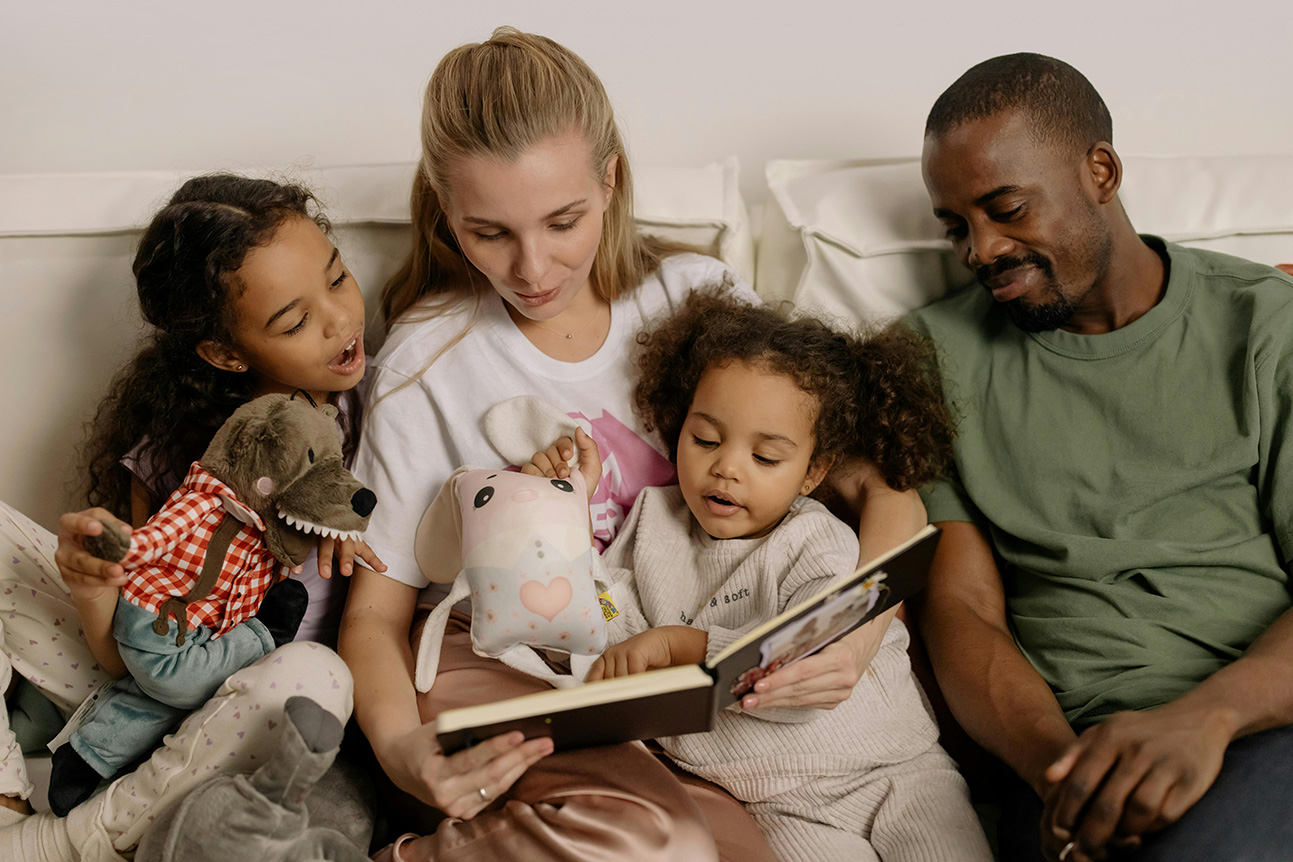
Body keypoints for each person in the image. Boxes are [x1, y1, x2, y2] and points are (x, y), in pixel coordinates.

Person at [341, 27, 893, 862]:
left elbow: (880, 488)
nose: (531, 268)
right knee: (657, 843)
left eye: (562, 221)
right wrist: (395, 750)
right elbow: (374, 617)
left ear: (610, 180)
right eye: (488, 232)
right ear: (446, 213)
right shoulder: (430, 362)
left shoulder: (692, 299)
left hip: (661, 671)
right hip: (502, 656)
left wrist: (856, 627)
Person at [907, 53, 1293, 862]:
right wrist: (1063, 775)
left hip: (1260, 725)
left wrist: (1205, 720)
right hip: (1062, 758)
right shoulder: (931, 358)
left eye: (1004, 208)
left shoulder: (1265, 326)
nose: (980, 249)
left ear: (1100, 171)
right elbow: (962, 612)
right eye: (954, 227)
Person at [1, 173, 377, 860]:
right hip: (150, 690)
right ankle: (5, 801)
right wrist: (93, 590)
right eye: (295, 321)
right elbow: (134, 660)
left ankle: (73, 841)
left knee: (315, 675)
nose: (340, 320)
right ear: (225, 353)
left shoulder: (379, 410)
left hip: (261, 708)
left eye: (339, 277)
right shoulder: (175, 455)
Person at [547, 290, 992, 862]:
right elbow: (606, 609)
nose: (726, 467)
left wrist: (680, 646)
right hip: (776, 805)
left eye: (766, 458)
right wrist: (569, 517)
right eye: (704, 439)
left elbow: (802, 659)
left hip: (895, 771)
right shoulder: (651, 523)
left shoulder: (816, 538)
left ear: (813, 472)